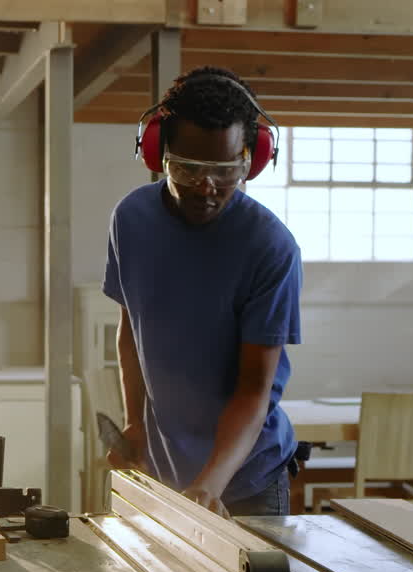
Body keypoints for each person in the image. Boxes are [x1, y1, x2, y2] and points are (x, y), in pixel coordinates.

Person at [104, 66, 303, 518]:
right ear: (158, 153)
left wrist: (210, 484)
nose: (206, 187)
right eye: (187, 168)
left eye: (226, 171)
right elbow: (131, 334)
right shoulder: (131, 220)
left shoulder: (270, 247)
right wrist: (135, 422)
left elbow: (255, 388)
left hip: (246, 478)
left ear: (252, 160)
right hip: (166, 470)